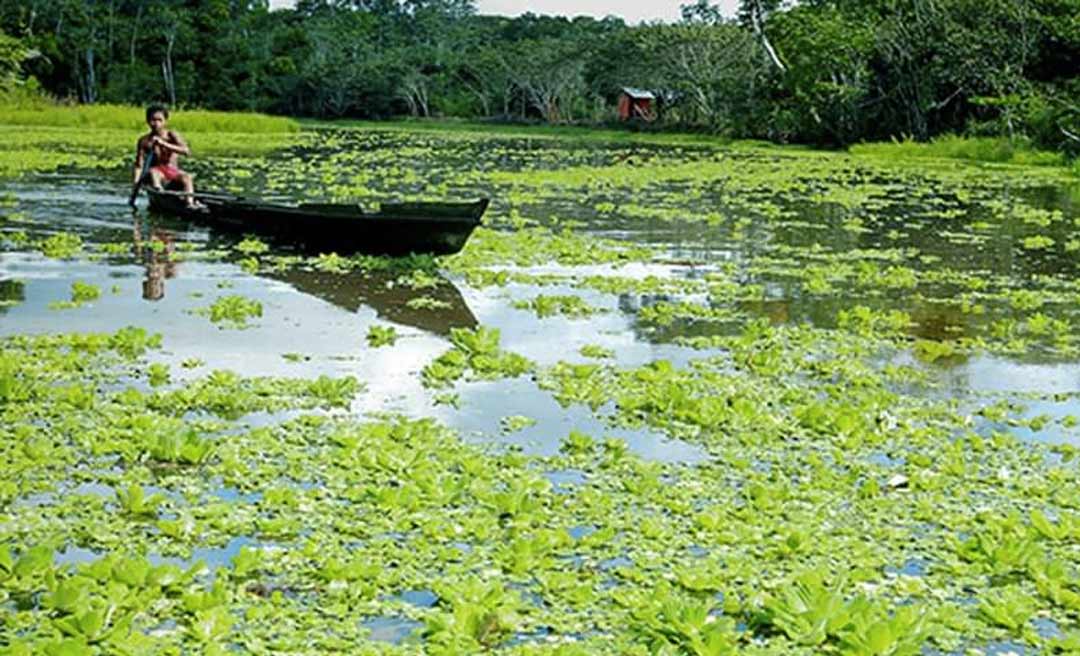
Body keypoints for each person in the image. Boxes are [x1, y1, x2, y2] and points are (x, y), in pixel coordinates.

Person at [133, 104, 203, 209]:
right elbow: (139, 164)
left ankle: (190, 203)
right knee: (153, 172)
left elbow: (186, 151)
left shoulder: (172, 135)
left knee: (187, 177)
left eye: (160, 120)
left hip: (172, 172)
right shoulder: (144, 141)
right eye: (153, 120)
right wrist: (136, 182)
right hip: (157, 174)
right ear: (148, 121)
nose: (156, 124)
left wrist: (164, 144)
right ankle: (160, 196)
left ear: (165, 121)